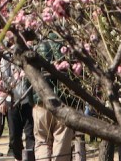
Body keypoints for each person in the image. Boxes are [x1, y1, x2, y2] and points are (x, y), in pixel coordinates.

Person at [32, 33, 74, 161]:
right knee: (61, 142)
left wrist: (32, 100)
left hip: (40, 102)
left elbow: (28, 77)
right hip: (63, 102)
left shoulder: (37, 46)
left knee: (42, 141)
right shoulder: (68, 45)